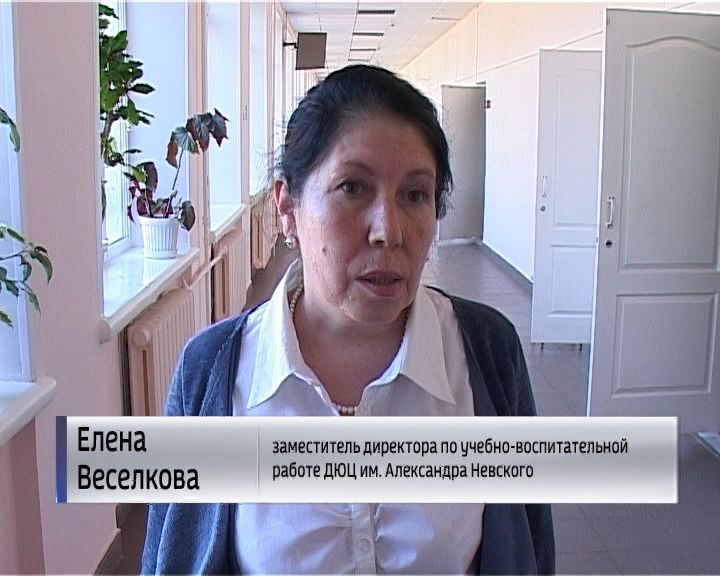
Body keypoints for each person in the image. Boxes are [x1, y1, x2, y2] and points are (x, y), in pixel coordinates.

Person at [142, 64, 554, 574]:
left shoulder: (488, 353)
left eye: (415, 194)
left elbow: (532, 550)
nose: (389, 231)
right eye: (353, 188)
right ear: (287, 208)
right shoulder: (210, 373)